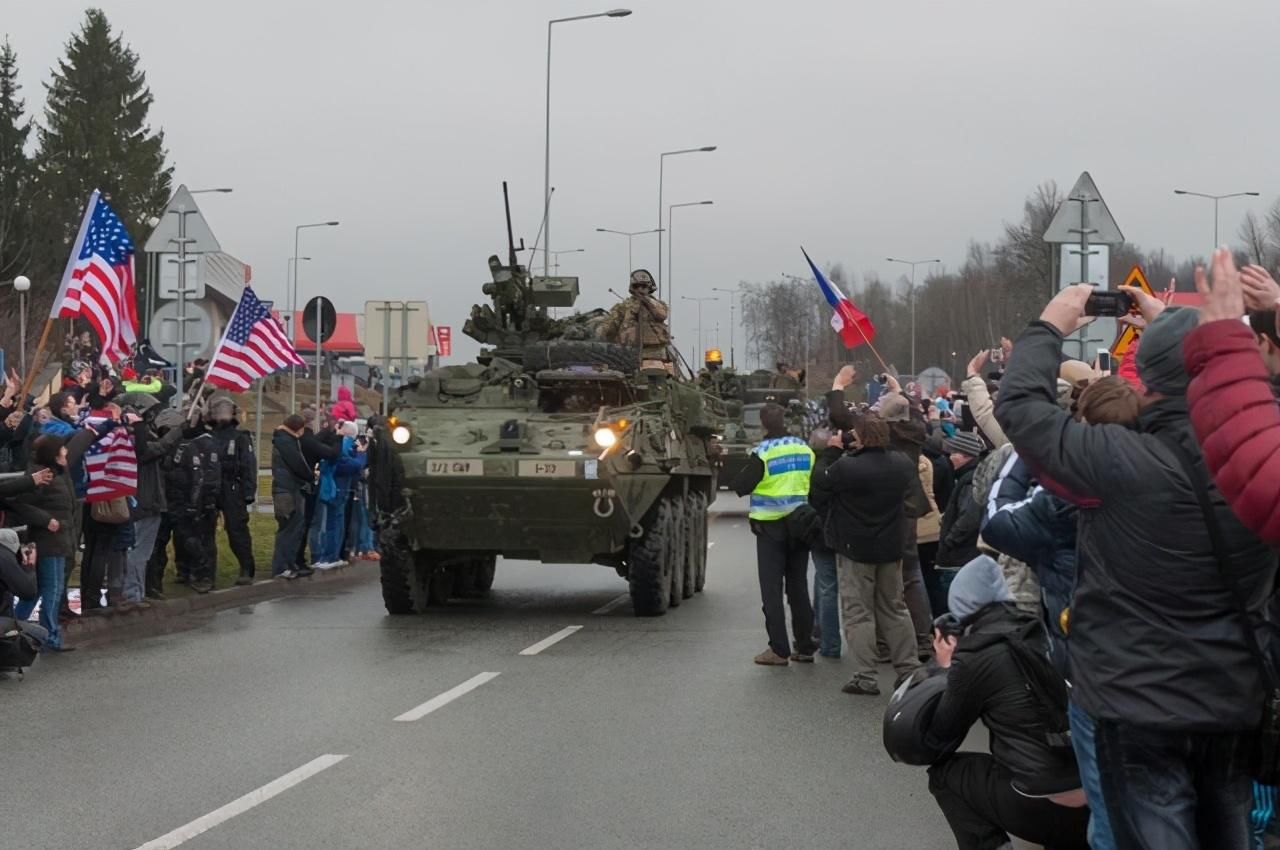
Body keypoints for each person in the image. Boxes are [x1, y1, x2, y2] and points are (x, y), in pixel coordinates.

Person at [996, 279, 1273, 850]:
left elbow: (1021, 410)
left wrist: (1049, 326)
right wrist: (1179, 324)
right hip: (1233, 695)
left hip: (1135, 700)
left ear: (1146, 380)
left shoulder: (1116, 461)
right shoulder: (1260, 461)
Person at [924, 556, 1090, 850]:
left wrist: (946, 667)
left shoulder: (975, 657)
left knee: (945, 776)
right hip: (1094, 797)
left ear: (961, 608)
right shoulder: (1038, 630)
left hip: (1043, 803)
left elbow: (939, 736)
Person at [811, 411, 921, 695]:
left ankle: (866, 675)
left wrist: (831, 452)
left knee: (858, 612)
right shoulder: (901, 463)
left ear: (859, 436)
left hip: (855, 547)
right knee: (894, 609)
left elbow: (818, 489)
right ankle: (908, 669)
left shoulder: (847, 467)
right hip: (890, 546)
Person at [728, 403, 818, 666]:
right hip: (801, 525)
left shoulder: (763, 452)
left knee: (772, 590)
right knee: (798, 587)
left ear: (763, 424)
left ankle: (779, 649)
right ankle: (805, 646)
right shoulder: (804, 448)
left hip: (771, 529)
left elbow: (742, 486)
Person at [12, 430, 101, 649]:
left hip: (61, 540)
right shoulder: (41, 475)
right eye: (62, 448)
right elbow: (21, 504)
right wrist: (45, 520)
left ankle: (12, 627)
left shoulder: (60, 471)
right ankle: (50, 637)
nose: (65, 452)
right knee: (52, 591)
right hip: (48, 541)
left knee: (39, 591)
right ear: (53, 453)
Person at [126, 397, 183, 601]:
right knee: (138, 553)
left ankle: (138, 592)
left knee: (142, 554)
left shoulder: (137, 439)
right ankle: (132, 594)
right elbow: (156, 448)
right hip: (143, 504)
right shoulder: (134, 442)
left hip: (147, 503)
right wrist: (180, 429)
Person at [206, 396, 258, 585]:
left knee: (236, 530)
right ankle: (206, 574)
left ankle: (246, 568)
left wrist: (249, 491)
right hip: (210, 487)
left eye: (225, 409)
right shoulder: (207, 436)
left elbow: (248, 465)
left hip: (232, 486)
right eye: (218, 409)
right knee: (205, 532)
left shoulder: (240, 437)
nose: (222, 413)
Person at [167, 418, 221, 594]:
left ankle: (205, 575)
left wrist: (205, 502)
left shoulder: (206, 445)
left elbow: (205, 477)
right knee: (184, 537)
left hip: (201, 502)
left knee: (202, 540)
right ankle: (185, 570)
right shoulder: (182, 444)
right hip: (182, 500)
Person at [933, 431, 987, 596]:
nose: (950, 457)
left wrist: (949, 540)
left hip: (960, 556)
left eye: (954, 453)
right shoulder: (972, 476)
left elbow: (969, 517)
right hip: (966, 555)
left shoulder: (970, 481)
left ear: (966, 455)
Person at [309, 421, 367, 567]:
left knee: (332, 522)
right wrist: (361, 455)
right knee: (333, 522)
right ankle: (329, 557)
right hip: (338, 488)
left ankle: (328, 556)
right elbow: (351, 465)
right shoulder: (344, 445)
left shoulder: (340, 444)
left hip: (336, 487)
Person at [597, 269, 672, 370]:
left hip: (656, 355)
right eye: (636, 286)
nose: (640, 289)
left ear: (649, 288)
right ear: (632, 288)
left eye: (644, 286)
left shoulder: (659, 305)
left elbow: (662, 315)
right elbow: (608, 329)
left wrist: (646, 300)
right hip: (628, 354)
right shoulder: (623, 307)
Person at [272, 414, 317, 579]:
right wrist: (311, 475)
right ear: (299, 428)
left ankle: (289, 565)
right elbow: (298, 463)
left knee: (294, 528)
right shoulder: (286, 441)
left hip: (289, 488)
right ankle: (282, 567)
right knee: (289, 528)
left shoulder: (285, 439)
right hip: (287, 490)